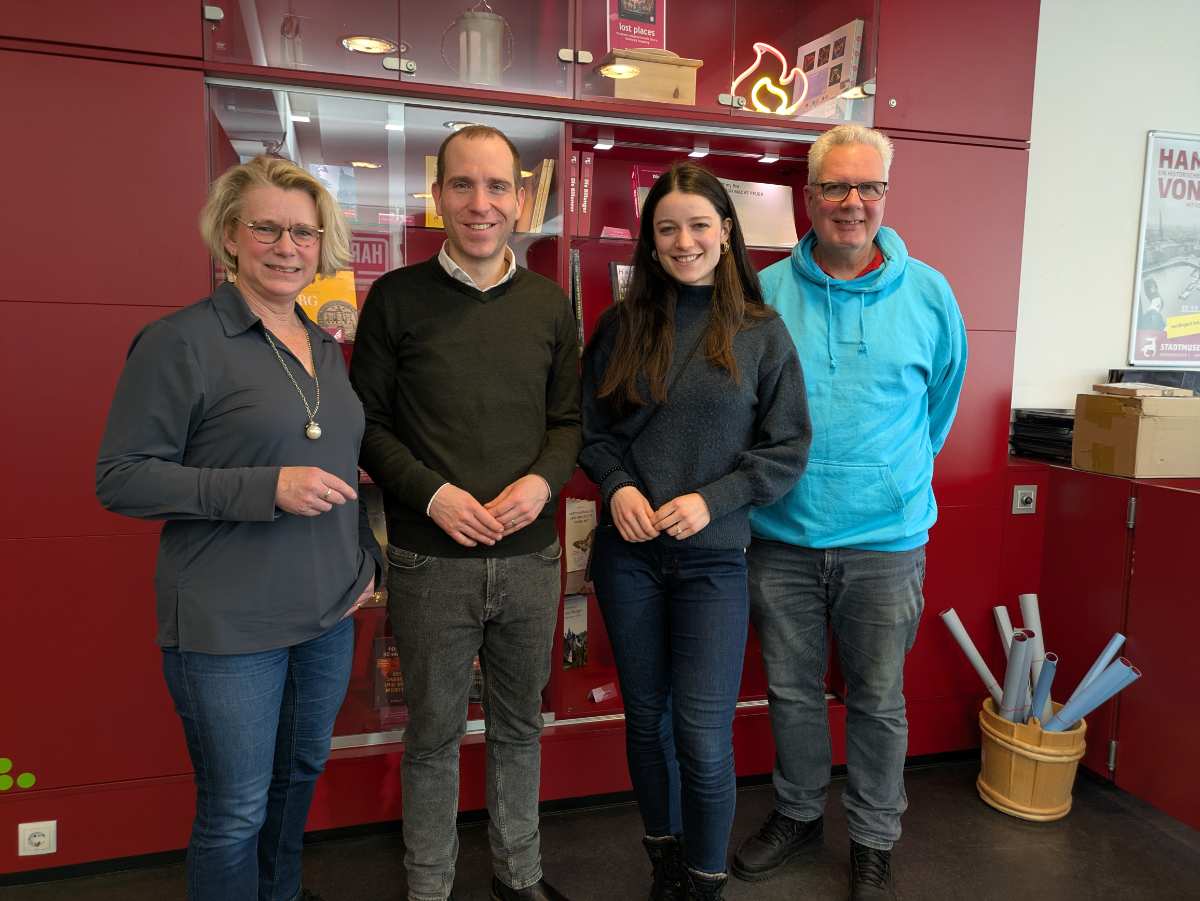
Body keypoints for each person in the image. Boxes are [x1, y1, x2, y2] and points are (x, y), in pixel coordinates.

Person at [96, 155, 382, 901]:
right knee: (236, 809)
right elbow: (122, 477)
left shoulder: (322, 343)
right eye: (268, 228)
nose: (288, 247)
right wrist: (268, 486)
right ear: (228, 236)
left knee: (297, 782)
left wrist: (364, 561)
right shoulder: (180, 341)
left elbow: (330, 455)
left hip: (325, 614)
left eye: (304, 232)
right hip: (228, 625)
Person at [733, 125, 967, 901]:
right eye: (836, 187)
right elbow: (745, 412)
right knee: (792, 692)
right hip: (783, 539)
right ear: (809, 196)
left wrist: (888, 481)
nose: (853, 203)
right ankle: (800, 813)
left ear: (886, 196)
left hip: (886, 543)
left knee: (878, 699)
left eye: (869, 187)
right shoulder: (763, 295)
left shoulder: (931, 294)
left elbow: (939, 407)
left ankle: (873, 838)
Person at [350, 125, 582, 901]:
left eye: (495, 187)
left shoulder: (551, 304)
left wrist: (544, 484)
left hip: (530, 561)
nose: (479, 204)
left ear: (520, 198)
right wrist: (434, 493)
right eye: (461, 185)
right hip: (428, 561)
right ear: (437, 195)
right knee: (432, 737)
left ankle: (521, 874)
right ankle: (430, 886)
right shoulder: (395, 298)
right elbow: (368, 424)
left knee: (521, 728)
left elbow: (569, 421)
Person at [580, 163, 811, 901]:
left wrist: (715, 500)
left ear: (726, 231)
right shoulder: (621, 325)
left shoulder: (761, 332)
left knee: (703, 735)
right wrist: (615, 488)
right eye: (668, 228)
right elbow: (591, 432)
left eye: (699, 225)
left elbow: (787, 447)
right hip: (630, 560)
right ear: (650, 240)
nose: (684, 241)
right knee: (645, 721)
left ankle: (706, 882)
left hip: (715, 561)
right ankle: (666, 862)